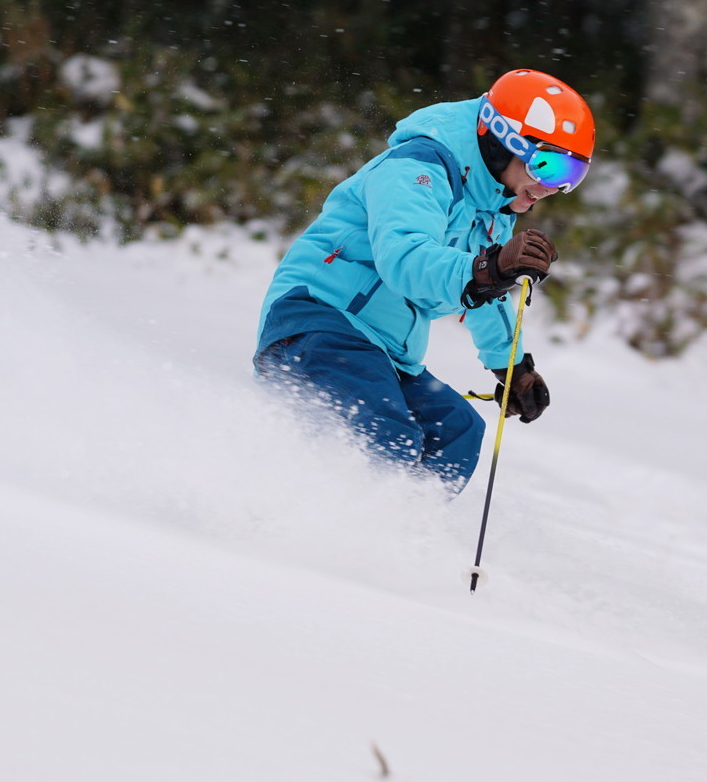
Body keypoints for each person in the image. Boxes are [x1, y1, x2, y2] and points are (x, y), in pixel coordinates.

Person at [254, 68, 596, 493]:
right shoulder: (418, 166)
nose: (550, 187)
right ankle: (321, 528)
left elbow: (484, 292)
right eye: (547, 165)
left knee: (456, 431)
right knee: (387, 434)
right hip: (318, 323)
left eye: (570, 178)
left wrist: (513, 368)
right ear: (500, 139)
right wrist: (488, 267)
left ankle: (405, 534)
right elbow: (404, 258)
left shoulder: (494, 209)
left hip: (385, 352)